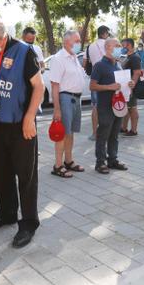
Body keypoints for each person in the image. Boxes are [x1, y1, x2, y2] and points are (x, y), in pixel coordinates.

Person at [0, 16, 44, 248]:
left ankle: (29, 223)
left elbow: (39, 87)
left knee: (26, 175)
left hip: (20, 123)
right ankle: (7, 214)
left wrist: (30, 118)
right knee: (0, 173)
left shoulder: (24, 52)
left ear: (3, 38)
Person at [90, 37, 133, 174]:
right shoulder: (99, 65)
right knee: (103, 134)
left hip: (118, 105)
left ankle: (112, 159)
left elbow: (123, 84)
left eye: (120, 45)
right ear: (108, 47)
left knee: (114, 134)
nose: (120, 47)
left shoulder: (118, 64)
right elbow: (92, 86)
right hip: (105, 106)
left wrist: (130, 84)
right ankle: (100, 162)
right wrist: (109, 87)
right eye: (117, 45)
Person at [49, 30, 86, 178]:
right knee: (62, 133)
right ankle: (58, 165)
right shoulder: (59, 58)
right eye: (76, 41)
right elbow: (55, 85)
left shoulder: (74, 57)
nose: (79, 44)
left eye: (79, 41)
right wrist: (56, 108)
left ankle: (68, 161)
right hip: (65, 98)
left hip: (76, 99)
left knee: (70, 133)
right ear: (66, 41)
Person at [85, 25, 111, 141]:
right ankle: (109, 132)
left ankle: (95, 133)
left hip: (95, 77)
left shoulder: (90, 46)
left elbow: (85, 63)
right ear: (105, 33)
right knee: (110, 105)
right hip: (109, 77)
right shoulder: (109, 44)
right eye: (108, 34)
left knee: (95, 106)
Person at [120, 38, 143, 137]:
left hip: (131, 87)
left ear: (129, 45)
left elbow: (137, 72)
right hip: (126, 86)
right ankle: (123, 128)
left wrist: (132, 84)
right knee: (127, 108)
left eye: (123, 45)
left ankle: (134, 130)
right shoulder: (128, 57)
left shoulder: (135, 57)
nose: (122, 47)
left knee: (132, 108)